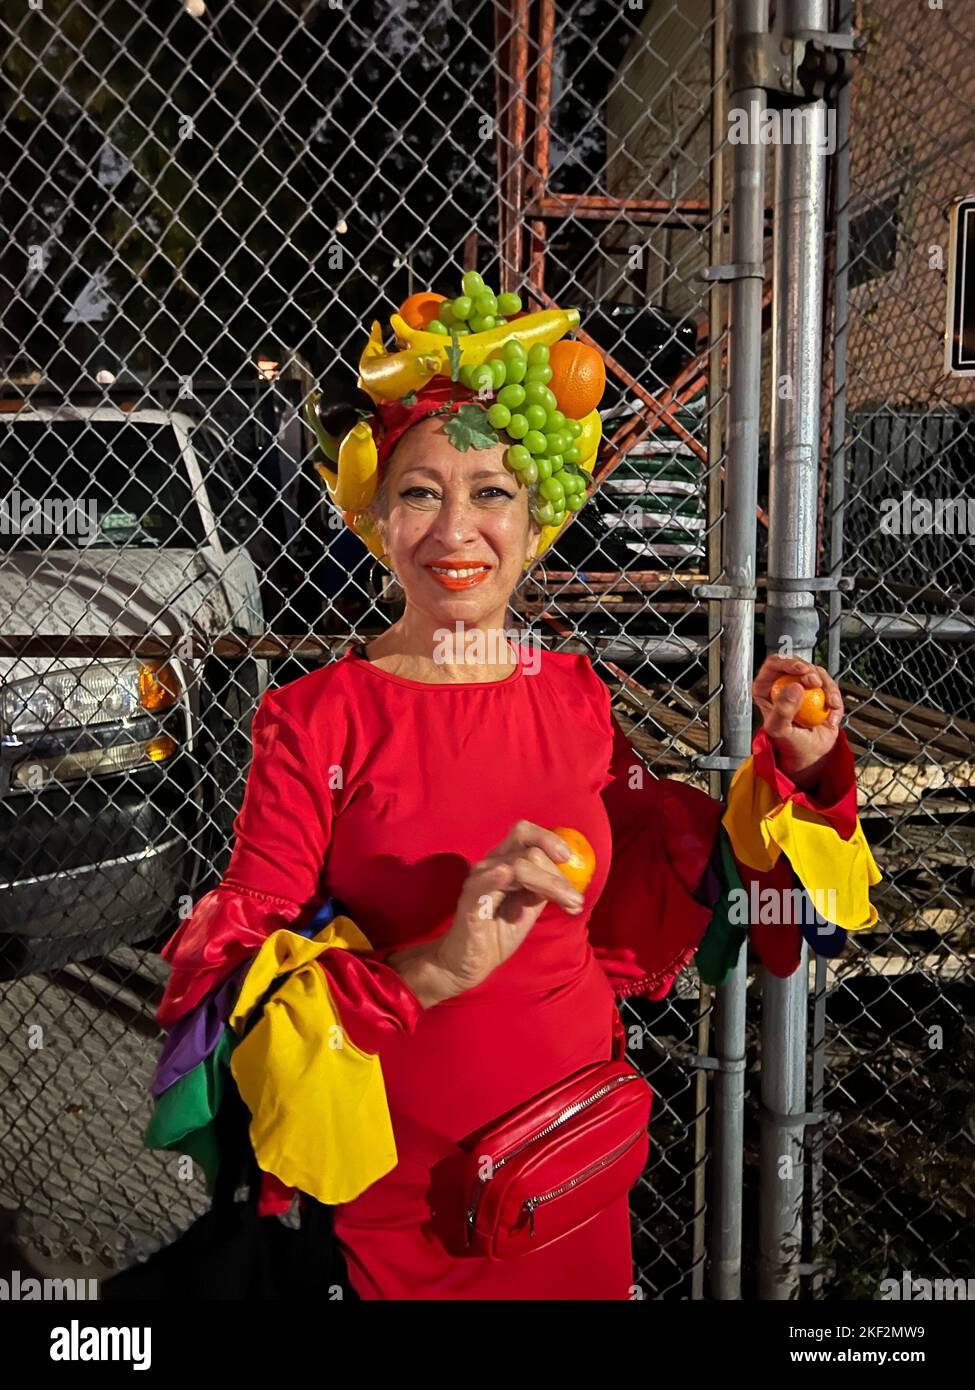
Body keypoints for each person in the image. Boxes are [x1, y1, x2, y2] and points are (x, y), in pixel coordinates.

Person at [147, 277, 880, 1300]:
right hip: (395, 1208)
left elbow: (691, 874)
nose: (457, 531)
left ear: (537, 517)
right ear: (375, 516)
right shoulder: (313, 719)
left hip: (569, 1172)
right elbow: (236, 998)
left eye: (491, 490)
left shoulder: (570, 692)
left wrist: (801, 767)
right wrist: (434, 969)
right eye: (419, 491)